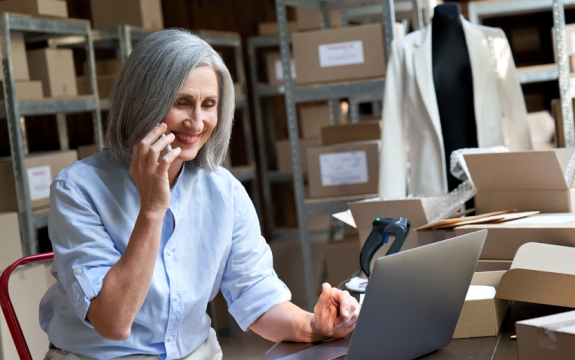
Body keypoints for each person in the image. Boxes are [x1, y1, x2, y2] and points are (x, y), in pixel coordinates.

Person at [39, 29, 360, 360]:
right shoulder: (78, 189)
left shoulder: (224, 191)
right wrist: (152, 209)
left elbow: (256, 296)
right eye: (181, 102)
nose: (196, 122)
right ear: (141, 103)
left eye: (209, 104)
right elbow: (114, 322)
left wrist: (318, 326)